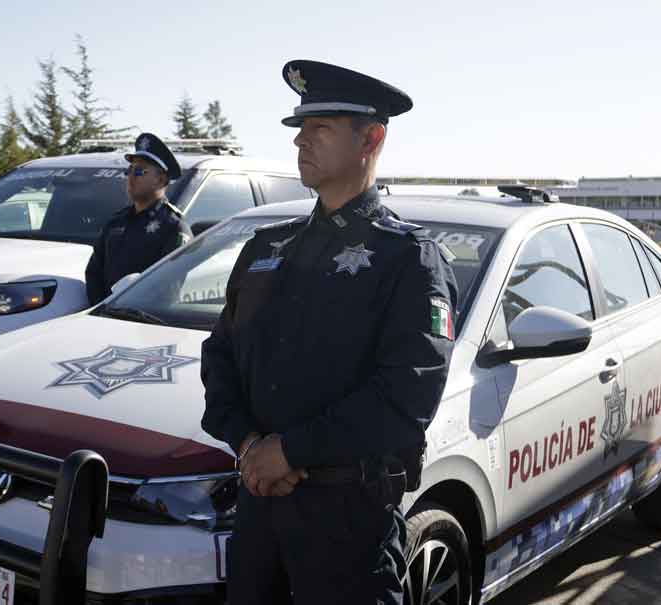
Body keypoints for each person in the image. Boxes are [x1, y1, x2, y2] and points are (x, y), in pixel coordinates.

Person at [200, 60, 459, 604]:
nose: (300, 141)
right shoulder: (267, 248)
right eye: (299, 128)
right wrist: (248, 445)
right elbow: (220, 355)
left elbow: (406, 396)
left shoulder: (408, 259)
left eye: (320, 128)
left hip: (346, 527)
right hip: (258, 513)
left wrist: (291, 452)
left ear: (372, 138)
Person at [84, 132, 191, 305]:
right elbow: (94, 273)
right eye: (130, 170)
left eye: (140, 171)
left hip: (143, 323)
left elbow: (168, 290)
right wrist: (102, 308)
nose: (131, 177)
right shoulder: (116, 222)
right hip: (105, 318)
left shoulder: (174, 227)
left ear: (160, 179)